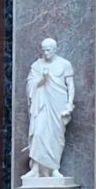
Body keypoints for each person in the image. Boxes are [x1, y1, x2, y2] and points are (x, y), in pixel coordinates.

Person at [23, 39, 74, 179]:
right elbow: (30, 86)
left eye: (48, 50)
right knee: (38, 133)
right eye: (43, 50)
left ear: (55, 49)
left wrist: (69, 104)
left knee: (56, 135)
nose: (45, 53)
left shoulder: (64, 64)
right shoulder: (37, 65)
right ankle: (36, 168)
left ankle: (54, 168)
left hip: (58, 103)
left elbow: (70, 86)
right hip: (41, 105)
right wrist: (43, 79)